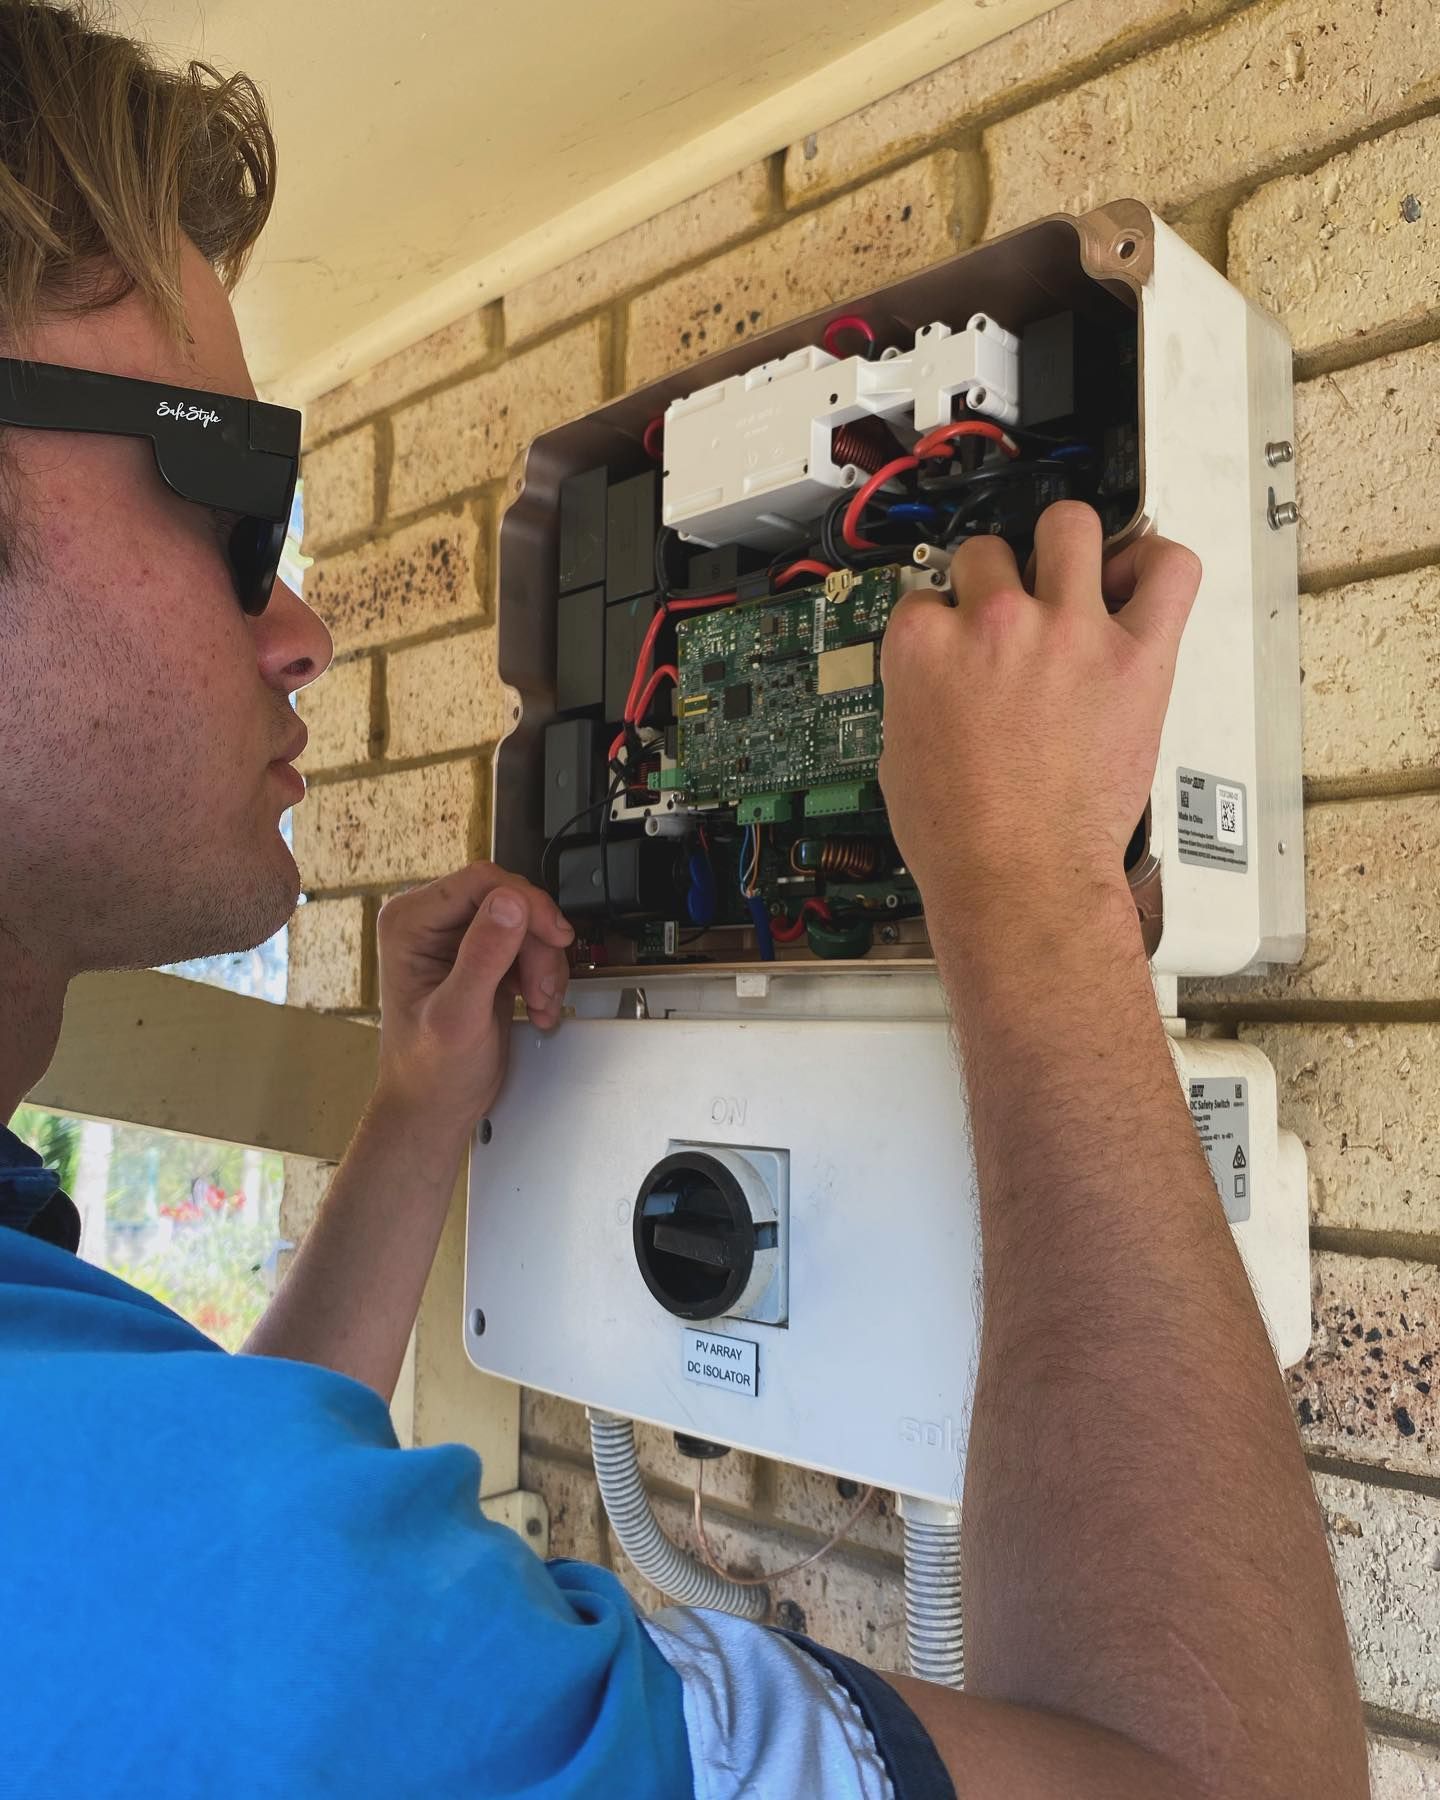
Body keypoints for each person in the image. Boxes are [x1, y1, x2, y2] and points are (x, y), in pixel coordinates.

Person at [0, 6, 1366, 1796]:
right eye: (236, 494)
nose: (306, 628)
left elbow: (210, 1509)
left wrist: (420, 1126)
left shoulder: (111, 1486)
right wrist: (1035, 909)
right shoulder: (213, 1617)